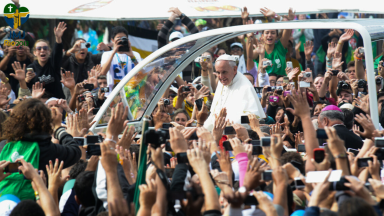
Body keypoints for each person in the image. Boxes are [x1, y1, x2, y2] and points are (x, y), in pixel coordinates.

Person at [204, 54, 265, 130]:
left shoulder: (245, 87)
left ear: (235, 69)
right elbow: (214, 113)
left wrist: (226, 123)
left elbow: (251, 118)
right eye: (218, 72)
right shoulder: (222, 82)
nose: (221, 76)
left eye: (224, 72)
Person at [26, 22, 67, 99]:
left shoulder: (53, 63)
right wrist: (26, 80)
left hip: (57, 100)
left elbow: (57, 54)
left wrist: (58, 38)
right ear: (34, 53)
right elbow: (25, 87)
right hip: (39, 102)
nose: (42, 50)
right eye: (39, 49)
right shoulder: (31, 67)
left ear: (49, 52)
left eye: (45, 48)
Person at [99, 26, 142, 92]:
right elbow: (103, 73)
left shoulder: (135, 54)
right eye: (118, 38)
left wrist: (132, 57)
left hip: (131, 95)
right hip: (113, 95)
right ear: (112, 40)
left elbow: (141, 73)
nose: (121, 41)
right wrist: (113, 52)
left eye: (123, 38)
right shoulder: (107, 54)